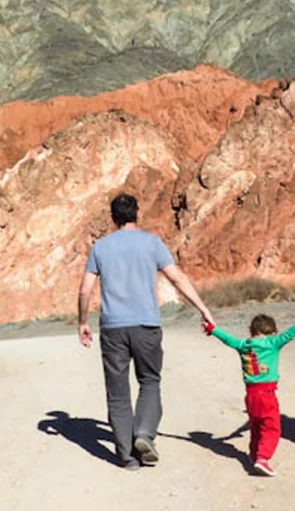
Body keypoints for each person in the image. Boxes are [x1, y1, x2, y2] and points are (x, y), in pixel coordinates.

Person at [78, 193, 215, 471]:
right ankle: (144, 433)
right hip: (147, 325)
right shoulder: (152, 243)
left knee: (118, 393)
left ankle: (127, 457)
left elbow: (85, 289)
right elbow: (176, 277)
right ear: (138, 214)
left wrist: (83, 321)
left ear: (113, 218)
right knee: (150, 381)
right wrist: (202, 308)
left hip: (113, 328)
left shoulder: (100, 248)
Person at [201, 312, 295, 476]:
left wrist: (212, 328)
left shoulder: (243, 344)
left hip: (250, 396)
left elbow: (227, 338)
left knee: (256, 425)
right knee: (271, 428)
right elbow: (291, 333)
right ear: (273, 332)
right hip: (267, 395)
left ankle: (254, 454)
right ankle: (263, 458)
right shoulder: (273, 342)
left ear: (251, 332)